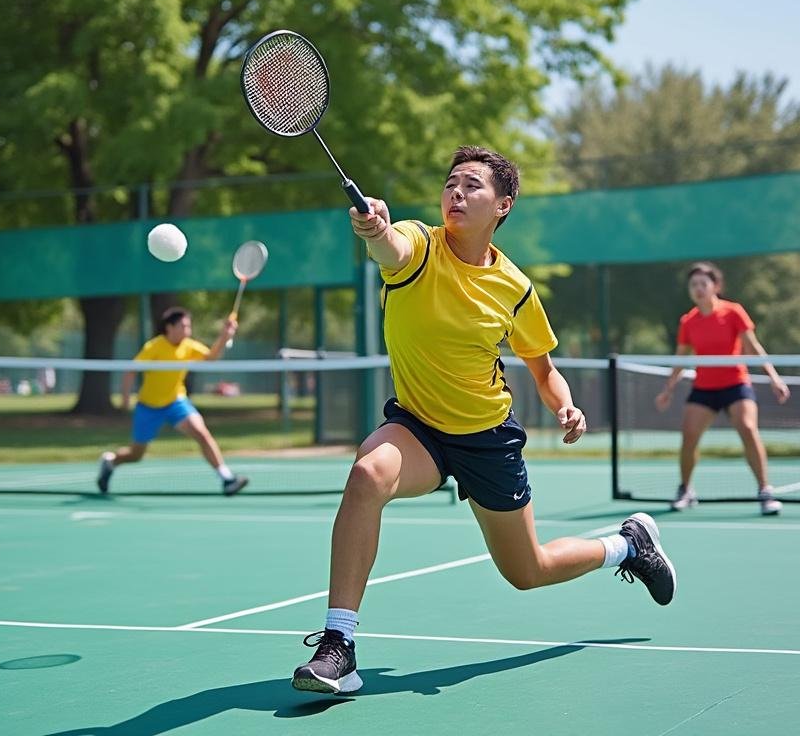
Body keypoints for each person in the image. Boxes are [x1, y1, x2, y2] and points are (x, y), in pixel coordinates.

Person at [290, 147, 677, 696]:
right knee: (367, 475)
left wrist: (564, 405)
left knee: (528, 571)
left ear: (503, 205)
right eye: (450, 184)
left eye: (472, 186)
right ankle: (338, 644)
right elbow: (388, 245)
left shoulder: (514, 287)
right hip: (418, 427)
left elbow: (544, 370)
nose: (456, 194)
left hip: (487, 438)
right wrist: (373, 225)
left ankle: (627, 546)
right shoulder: (420, 247)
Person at [655, 263, 791, 516]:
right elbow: (681, 358)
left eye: (703, 284)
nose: (698, 289)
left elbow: (754, 347)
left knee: (748, 428)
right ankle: (686, 489)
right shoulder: (688, 321)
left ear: (715, 286)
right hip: (704, 388)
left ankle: (765, 491)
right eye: (693, 285)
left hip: (736, 384)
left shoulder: (733, 312)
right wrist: (668, 389)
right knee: (688, 435)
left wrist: (774, 378)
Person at [95, 307, 249, 495]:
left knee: (202, 433)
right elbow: (130, 370)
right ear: (169, 327)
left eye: (189, 326)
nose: (188, 330)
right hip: (148, 407)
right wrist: (125, 401)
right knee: (136, 455)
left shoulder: (189, 345)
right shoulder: (154, 347)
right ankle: (110, 462)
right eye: (183, 326)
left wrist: (224, 337)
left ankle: (226, 479)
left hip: (175, 402)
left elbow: (211, 357)